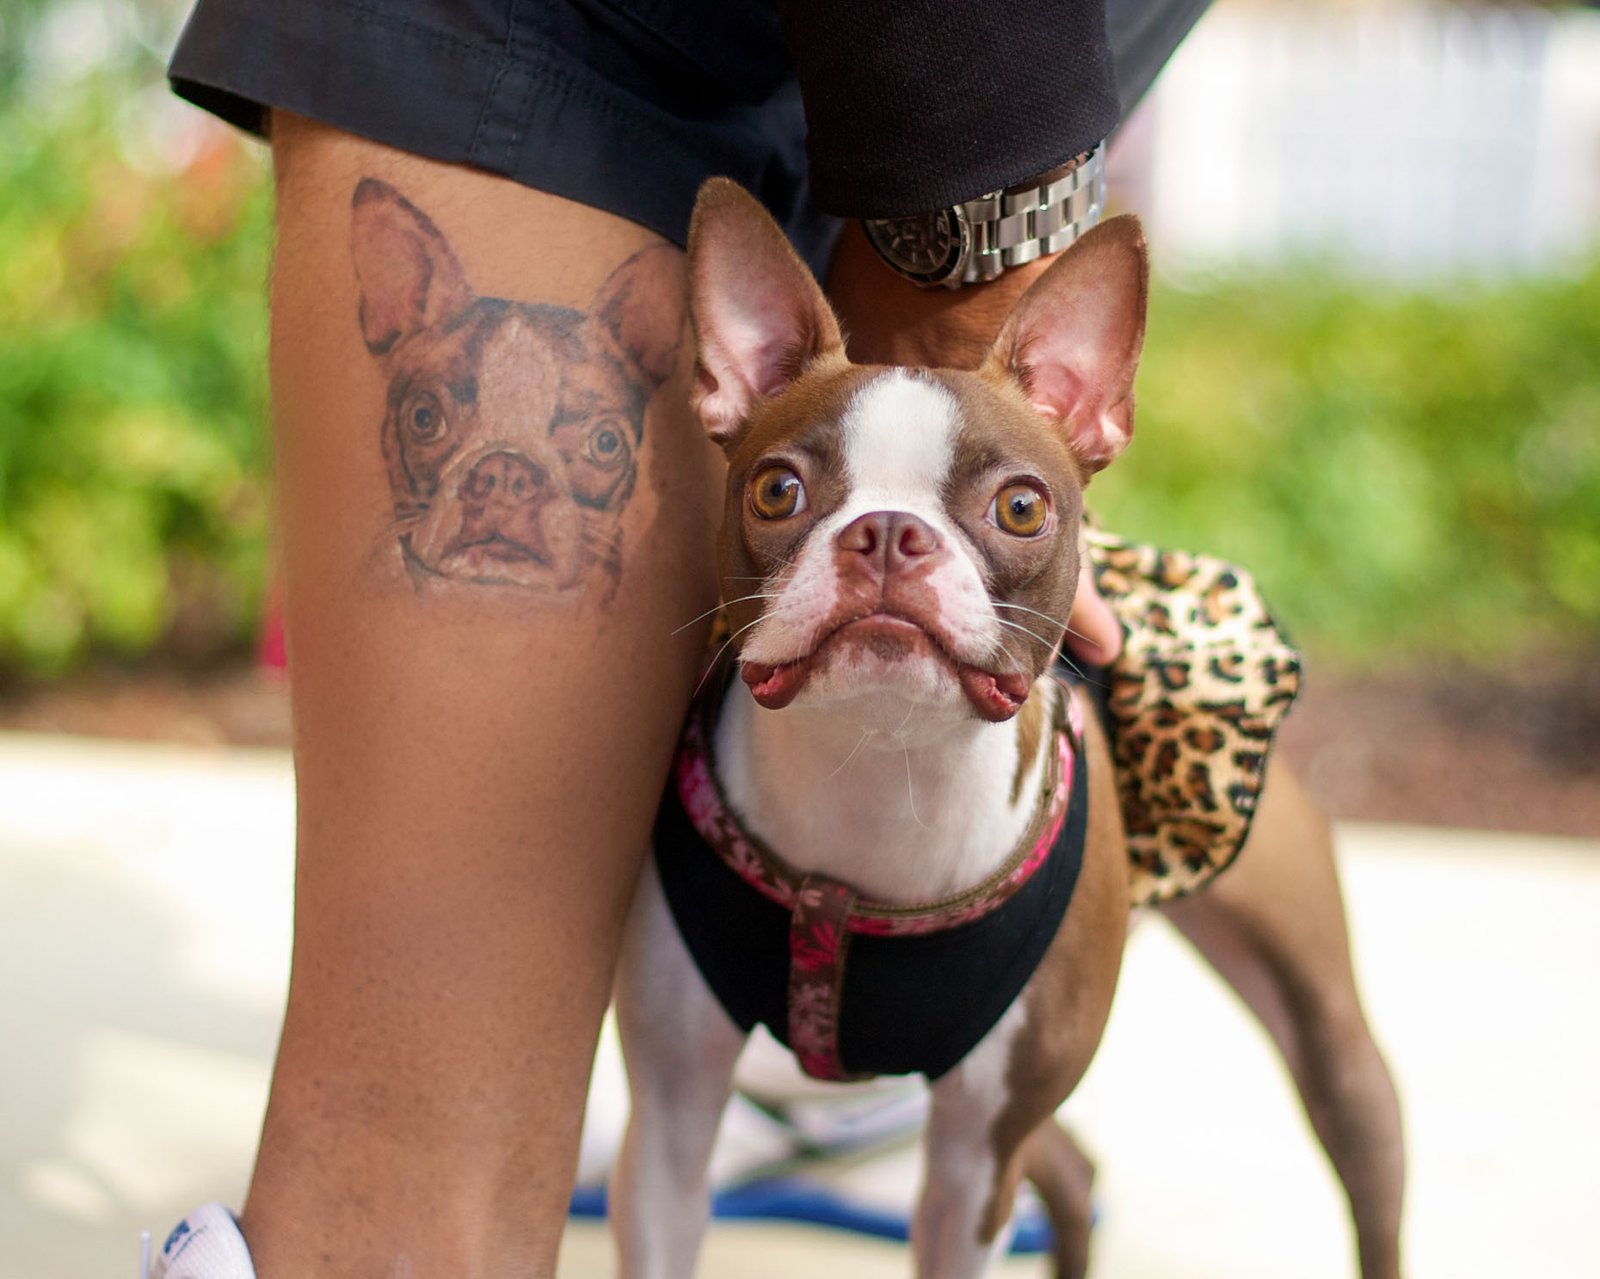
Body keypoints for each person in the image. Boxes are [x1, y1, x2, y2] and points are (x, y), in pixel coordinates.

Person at [154, 3, 1217, 1274]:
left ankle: (871, 1050)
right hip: (564, 38)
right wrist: (970, 255)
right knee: (411, 1179)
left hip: (932, 122)